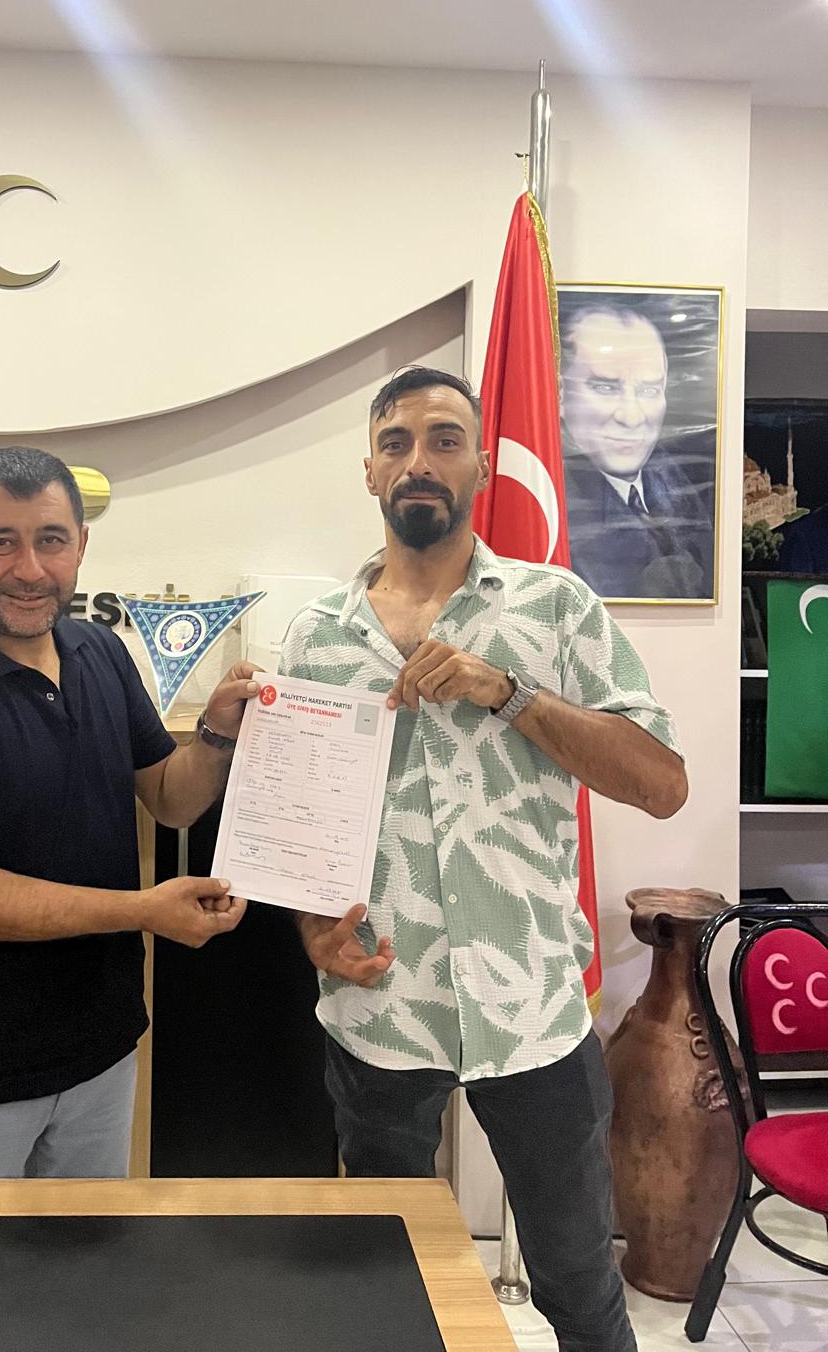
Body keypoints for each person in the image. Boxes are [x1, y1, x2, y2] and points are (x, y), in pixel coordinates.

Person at [281, 366, 687, 1352]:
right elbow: (301, 821)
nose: (418, 460)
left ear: (482, 464)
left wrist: (509, 691)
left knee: (581, 1289)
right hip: (381, 1009)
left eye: (444, 439)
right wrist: (311, 926)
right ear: (369, 470)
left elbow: (660, 783)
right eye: (395, 442)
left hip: (534, 1007)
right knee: (381, 1291)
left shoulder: (556, 608)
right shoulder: (317, 635)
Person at [0, 446, 257, 1179]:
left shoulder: (98, 651)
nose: (29, 568)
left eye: (50, 539)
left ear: (80, 545)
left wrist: (215, 732)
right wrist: (142, 910)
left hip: (102, 1052)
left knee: (88, 1252)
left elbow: (171, 797)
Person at [560, 303, 714, 600]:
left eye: (649, 390)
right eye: (606, 388)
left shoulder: (686, 489)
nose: (632, 417)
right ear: (560, 395)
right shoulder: (548, 508)